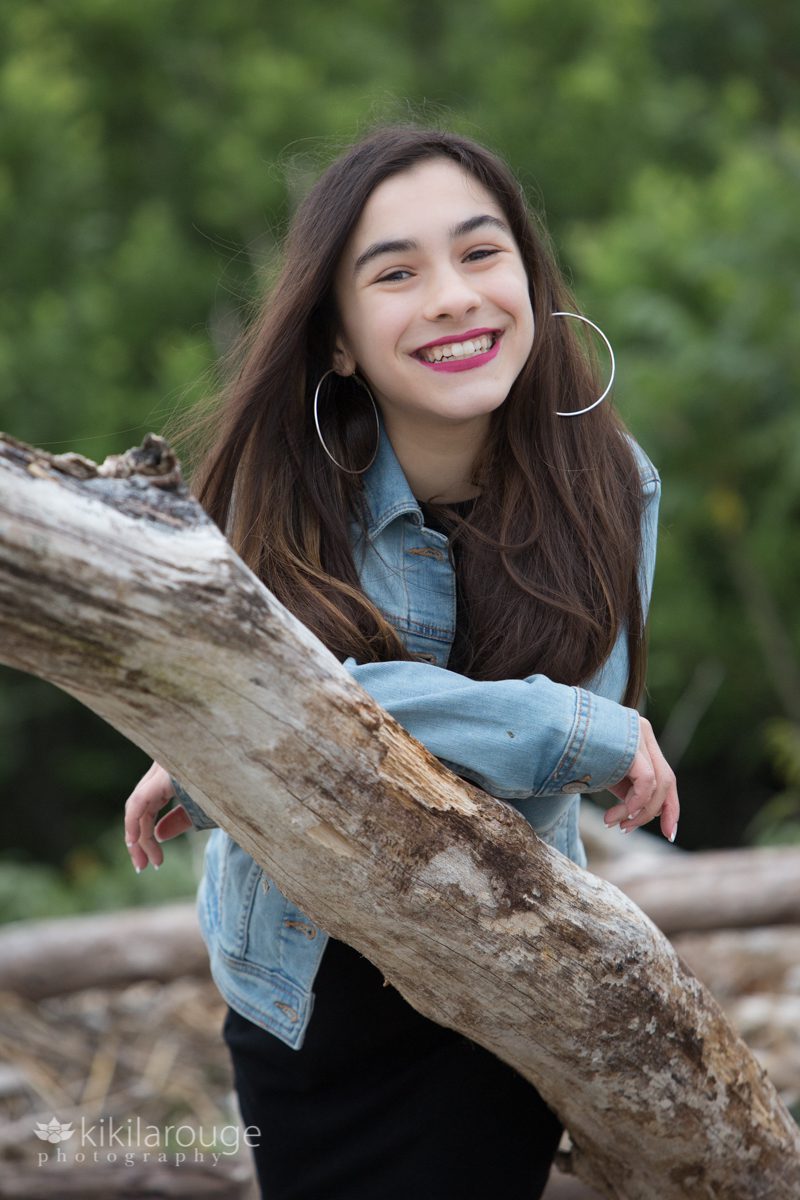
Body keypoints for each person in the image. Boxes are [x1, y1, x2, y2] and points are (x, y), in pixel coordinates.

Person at [124, 125, 679, 1199]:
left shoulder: (614, 483)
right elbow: (276, 717)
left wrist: (254, 729)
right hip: (302, 1005)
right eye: (396, 273)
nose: (451, 297)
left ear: (530, 278)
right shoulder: (280, 495)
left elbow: (302, 722)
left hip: (504, 992)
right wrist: (569, 729)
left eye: (480, 254)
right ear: (336, 339)